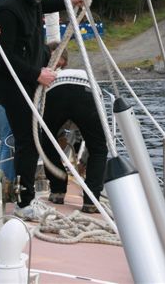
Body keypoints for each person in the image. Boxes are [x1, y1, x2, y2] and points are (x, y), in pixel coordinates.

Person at [0, 0, 85, 219]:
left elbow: (42, 4)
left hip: (28, 80)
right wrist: (36, 73)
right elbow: (2, 58)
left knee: (33, 139)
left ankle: (26, 197)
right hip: (13, 84)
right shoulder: (8, 8)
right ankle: (23, 202)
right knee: (27, 141)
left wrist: (69, 1)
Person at [40, 44, 108, 214]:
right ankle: (91, 201)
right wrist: (84, 161)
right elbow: (95, 139)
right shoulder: (85, 75)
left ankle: (57, 191)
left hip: (56, 92)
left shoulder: (53, 76)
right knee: (98, 149)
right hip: (86, 93)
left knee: (47, 142)